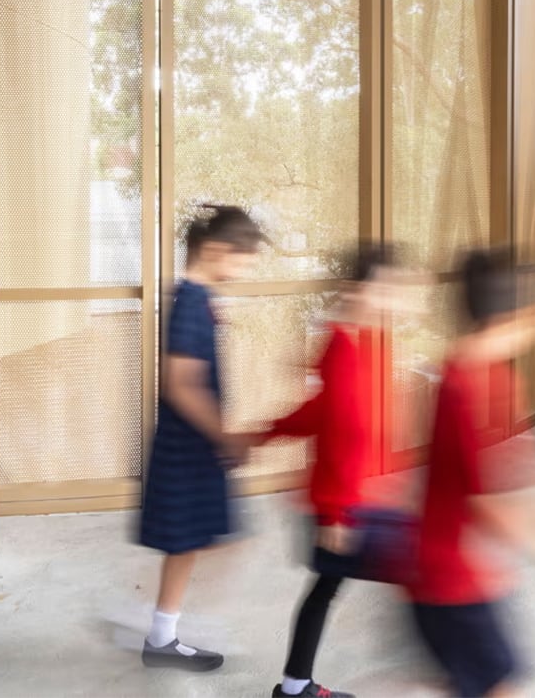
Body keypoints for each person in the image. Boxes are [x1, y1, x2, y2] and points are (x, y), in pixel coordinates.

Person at [409, 248, 535, 698]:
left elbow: (517, 487)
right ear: (527, 313)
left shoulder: (454, 372)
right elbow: (495, 498)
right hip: (458, 581)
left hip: (439, 573)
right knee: (499, 687)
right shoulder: (487, 385)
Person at [258, 243, 402, 698]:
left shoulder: (359, 339)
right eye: (386, 289)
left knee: (326, 587)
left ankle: (295, 684)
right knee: (421, 572)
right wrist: (336, 513)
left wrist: (266, 431)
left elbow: (324, 413)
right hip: (340, 503)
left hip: (357, 495)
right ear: (358, 289)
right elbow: (334, 421)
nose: (392, 299)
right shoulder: (342, 344)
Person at [137, 204, 264, 671]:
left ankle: (163, 632)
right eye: (241, 259)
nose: (244, 269)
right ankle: (163, 633)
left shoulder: (198, 297)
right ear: (213, 251)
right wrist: (225, 435)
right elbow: (181, 383)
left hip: (192, 446)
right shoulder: (191, 300)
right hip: (188, 447)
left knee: (191, 540)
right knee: (193, 538)